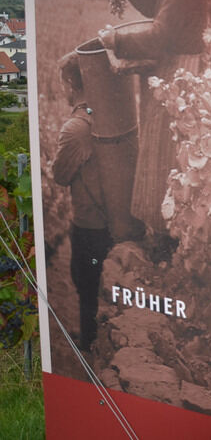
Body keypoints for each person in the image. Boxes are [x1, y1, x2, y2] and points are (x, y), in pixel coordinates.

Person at [97, 0, 207, 258]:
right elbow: (158, 1)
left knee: (164, 154)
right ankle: (161, 234)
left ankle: (164, 239)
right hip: (173, 73)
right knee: (160, 151)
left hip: (178, 74)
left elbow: (160, 34)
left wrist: (117, 40)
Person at [51, 52, 112, 352]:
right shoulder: (106, 116)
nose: (62, 91)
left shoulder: (75, 127)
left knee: (85, 285)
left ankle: (89, 347)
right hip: (112, 221)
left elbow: (60, 175)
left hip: (89, 225)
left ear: (72, 84)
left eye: (63, 84)